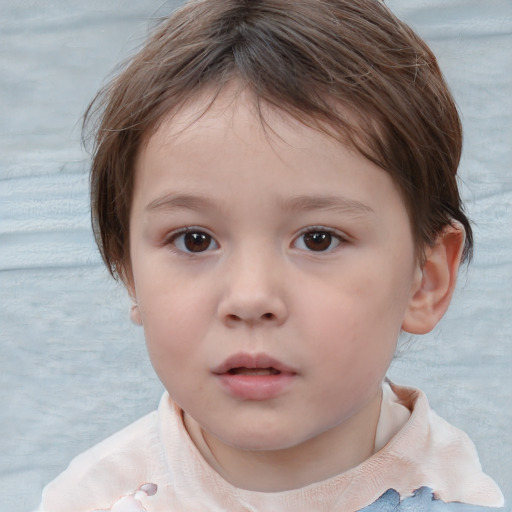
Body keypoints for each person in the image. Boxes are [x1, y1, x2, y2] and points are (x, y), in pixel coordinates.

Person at [37, 0, 505, 510]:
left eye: (318, 239)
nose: (251, 297)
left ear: (426, 279)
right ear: (129, 273)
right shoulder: (93, 500)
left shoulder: (461, 499)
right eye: (194, 239)